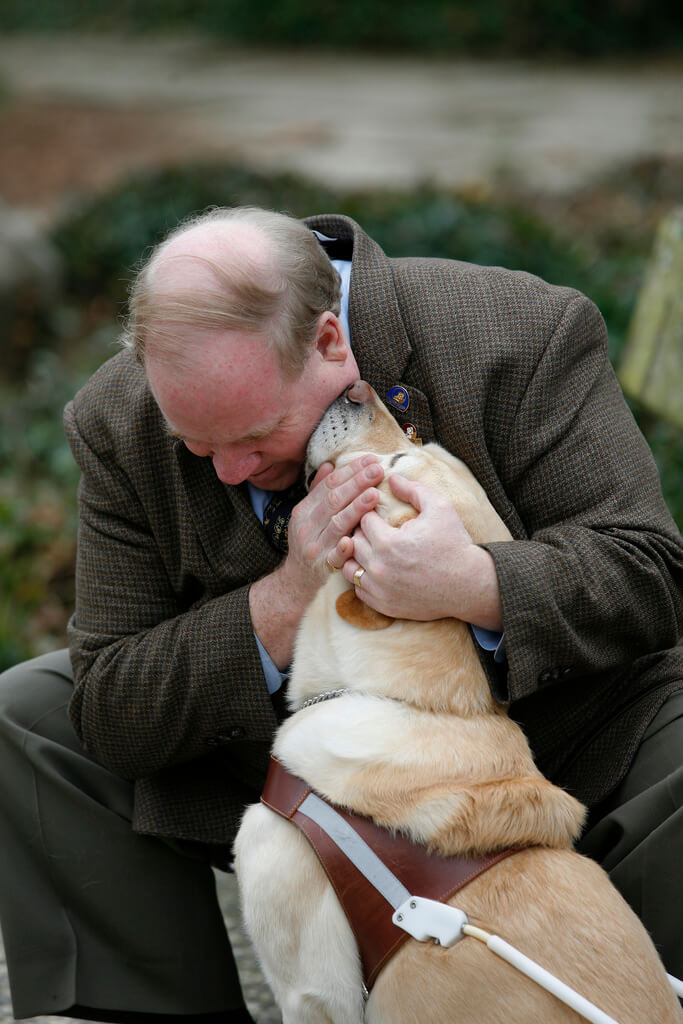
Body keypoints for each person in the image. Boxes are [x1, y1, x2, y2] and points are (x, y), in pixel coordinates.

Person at [0, 207, 681, 1022]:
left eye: (255, 434)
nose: (227, 471)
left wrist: (470, 580)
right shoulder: (116, 418)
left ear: (329, 340)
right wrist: (285, 595)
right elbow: (111, 700)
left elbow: (648, 570)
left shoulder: (517, 330)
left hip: (559, 741)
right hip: (288, 763)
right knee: (33, 715)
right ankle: (141, 1008)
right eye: (195, 443)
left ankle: (616, 990)